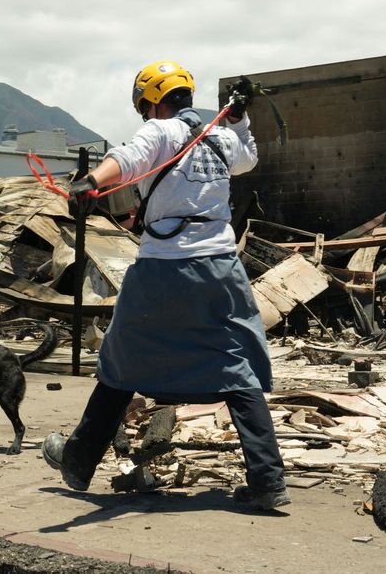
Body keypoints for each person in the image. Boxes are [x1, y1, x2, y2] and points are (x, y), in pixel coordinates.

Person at [41, 61, 289, 511]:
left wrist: (89, 182)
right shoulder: (222, 137)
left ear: (153, 102)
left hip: (163, 268)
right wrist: (240, 119)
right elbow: (249, 157)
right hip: (220, 266)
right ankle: (267, 479)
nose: (146, 115)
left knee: (121, 360)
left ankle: (78, 461)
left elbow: (129, 157)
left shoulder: (161, 131)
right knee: (237, 364)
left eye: (145, 107)